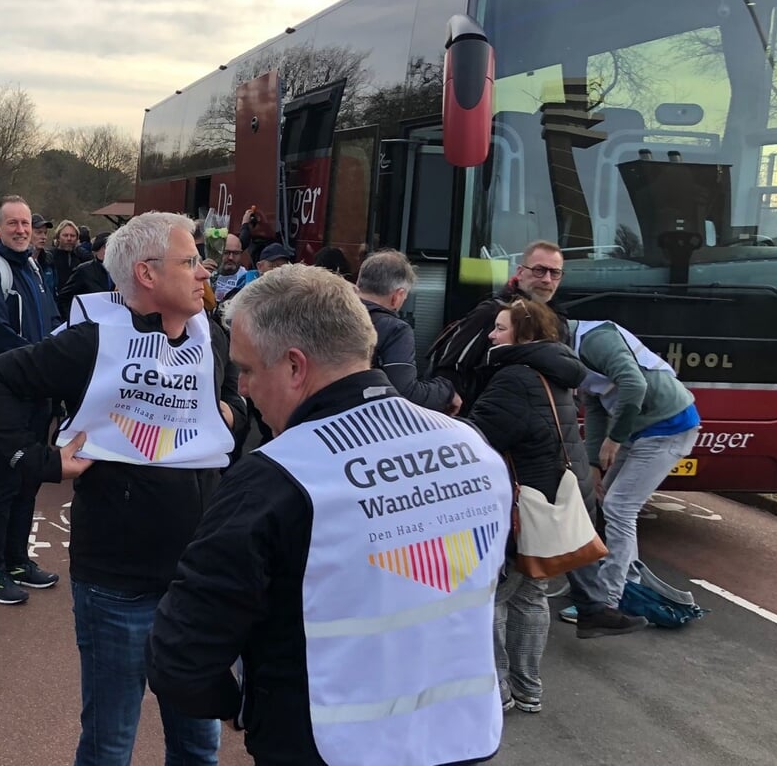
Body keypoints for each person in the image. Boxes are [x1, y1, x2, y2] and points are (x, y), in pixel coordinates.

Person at [147, 264, 511, 766]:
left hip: (327, 746)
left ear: (295, 367)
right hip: (462, 736)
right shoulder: (472, 445)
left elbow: (181, 656)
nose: (244, 389)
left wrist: (242, 708)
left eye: (248, 369)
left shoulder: (277, 476)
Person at [0, 211, 245, 765]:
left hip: (195, 577)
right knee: (110, 743)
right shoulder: (93, 342)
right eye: (189, 262)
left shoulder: (208, 335)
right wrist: (39, 460)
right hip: (118, 583)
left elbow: (236, 399)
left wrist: (231, 411)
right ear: (146, 274)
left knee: (199, 744)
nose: (203, 274)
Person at [467, 298, 589, 713]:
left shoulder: (514, 377)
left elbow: (480, 437)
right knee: (531, 596)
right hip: (551, 501)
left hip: (520, 509)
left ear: (525, 335)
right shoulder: (557, 369)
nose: (491, 335)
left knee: (496, 598)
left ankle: (498, 689)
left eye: (500, 329)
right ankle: (528, 689)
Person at [561, 318, 700, 638]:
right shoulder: (568, 352)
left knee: (619, 508)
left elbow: (634, 384)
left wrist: (615, 439)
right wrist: (594, 462)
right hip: (641, 429)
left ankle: (609, 601)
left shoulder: (594, 339)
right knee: (606, 502)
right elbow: (594, 407)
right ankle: (620, 587)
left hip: (669, 425)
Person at [0, 196, 61, 603]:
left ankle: (18, 561)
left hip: (39, 388)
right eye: (13, 224)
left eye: (26, 223)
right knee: (6, 479)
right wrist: (44, 363)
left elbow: (53, 320)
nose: (21, 230)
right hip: (8, 390)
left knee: (30, 478)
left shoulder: (35, 266)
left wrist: (65, 354)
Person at [432, 240, 569, 414]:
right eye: (539, 270)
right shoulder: (492, 312)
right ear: (520, 272)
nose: (547, 279)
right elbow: (451, 364)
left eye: (555, 273)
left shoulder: (560, 322)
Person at [356, 250, 460, 414]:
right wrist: (446, 391)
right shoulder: (395, 329)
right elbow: (404, 393)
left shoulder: (329, 311)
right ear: (397, 296)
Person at [57, 231, 111, 314]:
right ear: (97, 250)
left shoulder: (121, 272)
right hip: (90, 322)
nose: (110, 250)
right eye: (106, 246)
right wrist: (73, 319)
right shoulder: (84, 271)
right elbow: (64, 298)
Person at [210, 234, 257, 303]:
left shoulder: (247, 280)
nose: (231, 257)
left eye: (235, 253)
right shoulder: (207, 273)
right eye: (226, 253)